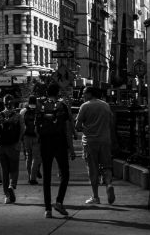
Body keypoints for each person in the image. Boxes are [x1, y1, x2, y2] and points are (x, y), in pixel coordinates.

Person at [37, 82, 76, 219]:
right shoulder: (63, 106)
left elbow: (37, 127)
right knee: (65, 174)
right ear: (58, 92)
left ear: (47, 93)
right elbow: (67, 129)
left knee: (46, 177)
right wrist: (71, 149)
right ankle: (59, 201)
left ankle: (48, 209)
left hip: (45, 143)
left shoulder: (41, 106)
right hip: (59, 142)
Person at [75, 85, 116, 205]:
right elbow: (111, 123)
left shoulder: (85, 106)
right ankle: (109, 184)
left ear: (90, 94)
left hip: (90, 142)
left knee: (92, 170)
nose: (82, 96)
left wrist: (87, 128)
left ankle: (95, 197)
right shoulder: (105, 105)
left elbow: (77, 126)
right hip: (105, 141)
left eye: (84, 93)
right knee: (106, 166)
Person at [0, 94, 25, 204]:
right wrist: (19, 142)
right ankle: (12, 186)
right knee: (14, 169)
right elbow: (22, 130)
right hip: (13, 146)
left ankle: (7, 196)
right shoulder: (18, 116)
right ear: (13, 103)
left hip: (1, 146)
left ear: (4, 103)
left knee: (4, 171)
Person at [20, 95, 41, 185]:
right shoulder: (39, 110)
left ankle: (29, 177)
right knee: (36, 158)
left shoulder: (23, 111)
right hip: (36, 136)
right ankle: (33, 177)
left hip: (26, 136)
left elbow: (21, 125)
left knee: (28, 157)